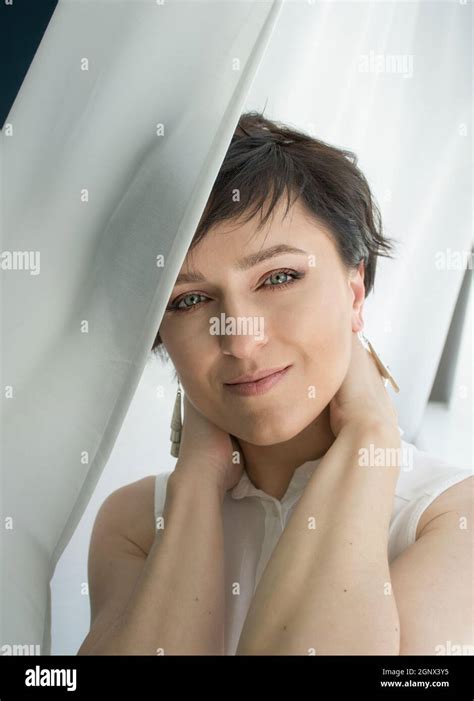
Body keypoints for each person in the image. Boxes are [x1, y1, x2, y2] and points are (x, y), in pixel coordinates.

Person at [77, 112, 473, 656]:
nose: (240, 340)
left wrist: (371, 440)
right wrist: (195, 480)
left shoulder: (451, 515)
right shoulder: (134, 523)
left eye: (278, 277)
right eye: (189, 300)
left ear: (354, 291)